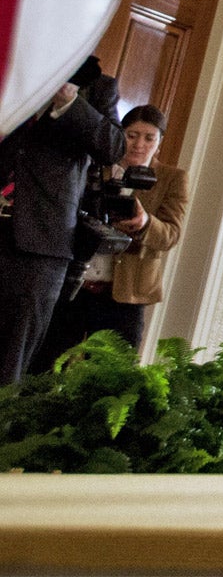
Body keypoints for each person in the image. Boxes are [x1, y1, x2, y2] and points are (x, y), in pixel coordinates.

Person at [34, 105, 188, 366]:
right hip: (75, 285)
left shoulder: (172, 178)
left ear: (159, 142)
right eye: (132, 135)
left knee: (110, 378)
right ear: (119, 135)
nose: (139, 144)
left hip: (127, 292)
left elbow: (171, 234)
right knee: (45, 364)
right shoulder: (94, 167)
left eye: (149, 138)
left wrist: (144, 222)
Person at [0, 61, 122, 383]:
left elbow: (114, 146)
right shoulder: (11, 66)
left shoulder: (97, 87)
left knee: (9, 363)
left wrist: (69, 103)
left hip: (38, 246)